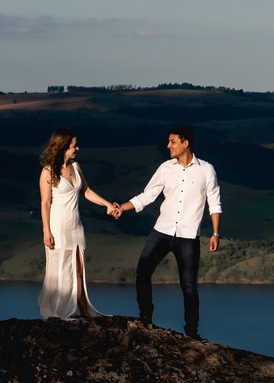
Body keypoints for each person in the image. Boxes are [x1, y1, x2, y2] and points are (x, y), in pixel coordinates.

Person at [116, 125, 221, 340]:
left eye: (172, 141)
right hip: (161, 231)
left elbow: (215, 203)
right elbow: (148, 196)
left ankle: (192, 333)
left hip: (188, 236)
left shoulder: (206, 170)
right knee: (142, 272)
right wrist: (122, 208)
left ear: (186, 143)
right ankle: (146, 318)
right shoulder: (165, 168)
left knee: (189, 287)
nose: (168, 145)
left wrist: (216, 233)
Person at [38, 128, 117, 320]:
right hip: (58, 227)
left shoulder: (75, 166)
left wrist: (107, 204)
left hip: (76, 226)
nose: (77, 148)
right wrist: (46, 231)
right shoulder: (47, 172)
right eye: (74, 145)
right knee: (60, 270)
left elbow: (87, 191)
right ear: (63, 147)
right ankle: (59, 311)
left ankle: (83, 309)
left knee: (79, 269)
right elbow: (45, 203)